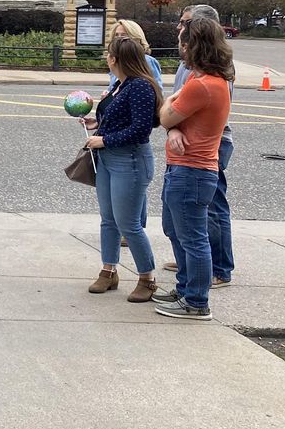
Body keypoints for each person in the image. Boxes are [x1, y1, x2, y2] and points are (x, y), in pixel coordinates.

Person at [152, 18, 234, 321]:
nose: (179, 46)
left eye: (182, 41)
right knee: (177, 231)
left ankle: (196, 301)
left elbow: (164, 115)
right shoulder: (207, 81)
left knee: (193, 238)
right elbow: (170, 120)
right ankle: (186, 288)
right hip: (187, 169)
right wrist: (172, 128)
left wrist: (170, 121)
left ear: (191, 46)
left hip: (192, 171)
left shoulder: (201, 85)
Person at [82, 36, 161, 302]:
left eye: (108, 54)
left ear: (115, 59)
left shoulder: (140, 86)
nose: (106, 58)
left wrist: (104, 139)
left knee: (129, 223)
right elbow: (120, 117)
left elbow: (141, 129)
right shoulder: (121, 84)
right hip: (107, 159)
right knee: (108, 219)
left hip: (129, 160)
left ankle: (147, 278)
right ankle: (109, 270)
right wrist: (98, 123)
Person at [108, 19, 163, 85]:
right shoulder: (116, 61)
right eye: (116, 35)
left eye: (124, 35)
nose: (119, 38)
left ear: (135, 38)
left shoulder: (147, 61)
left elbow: (156, 88)